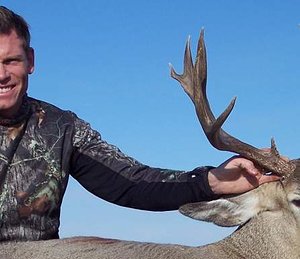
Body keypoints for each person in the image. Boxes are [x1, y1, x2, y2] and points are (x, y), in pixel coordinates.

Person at [0, 6, 279, 242]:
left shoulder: (61, 129)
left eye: (11, 61)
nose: (2, 75)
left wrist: (213, 181)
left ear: (31, 61)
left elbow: (131, 183)